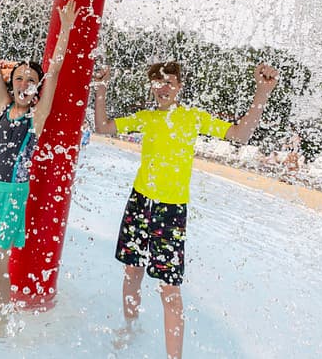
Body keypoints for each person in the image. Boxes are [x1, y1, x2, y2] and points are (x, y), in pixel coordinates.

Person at [92, 61, 278, 359]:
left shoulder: (192, 118)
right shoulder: (147, 117)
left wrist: (262, 93)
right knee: (132, 271)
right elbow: (102, 128)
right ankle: (129, 327)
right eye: (158, 82)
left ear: (179, 87)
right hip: (139, 202)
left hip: (170, 211)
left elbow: (239, 136)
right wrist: (100, 88)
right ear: (152, 86)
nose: (164, 87)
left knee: (169, 290)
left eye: (171, 82)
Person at [0, 0, 78, 339]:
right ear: (12, 83)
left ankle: (1, 321)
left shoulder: (36, 118)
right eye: (18, 78)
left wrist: (67, 29)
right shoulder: (2, 105)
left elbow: (55, 68)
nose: (23, 84)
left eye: (31, 80)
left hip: (13, 195)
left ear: (37, 87)